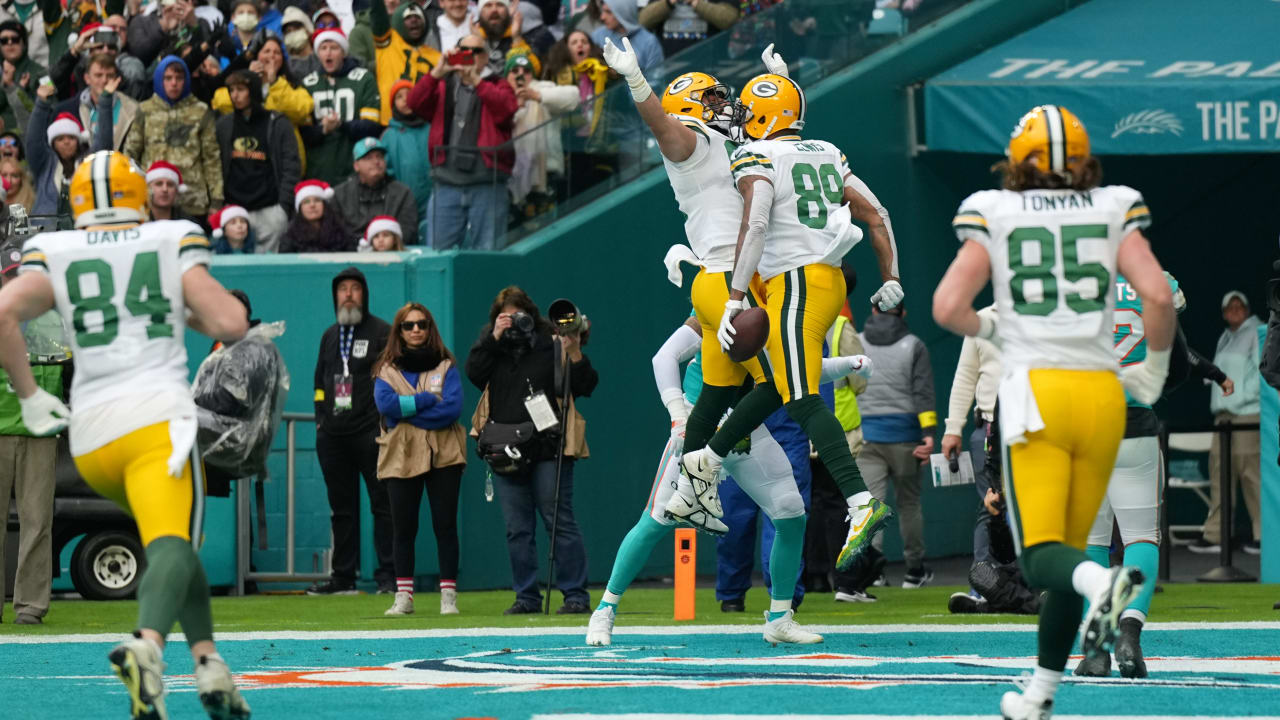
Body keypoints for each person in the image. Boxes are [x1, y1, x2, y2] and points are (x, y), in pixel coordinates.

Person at [605, 53, 901, 571]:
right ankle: (853, 499)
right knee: (792, 388)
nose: (727, 105)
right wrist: (636, 81)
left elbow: (780, 133)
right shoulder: (690, 142)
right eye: (714, 99)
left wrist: (784, 84)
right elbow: (666, 127)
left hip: (754, 279)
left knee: (727, 389)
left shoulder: (743, 144)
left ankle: (696, 482)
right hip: (727, 278)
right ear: (690, 108)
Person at [931, 104, 1174, 719]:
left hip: (1037, 395)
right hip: (1101, 397)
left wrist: (994, 322)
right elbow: (1156, 295)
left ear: (1017, 160)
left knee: (1045, 557)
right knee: (1073, 546)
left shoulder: (997, 208)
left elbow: (947, 307)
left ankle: (1104, 587)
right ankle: (1039, 695)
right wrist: (1153, 372)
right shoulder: (1114, 204)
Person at [0, 149, 251, 717]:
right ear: (139, 194)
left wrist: (29, 394)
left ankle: (210, 665)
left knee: (177, 547)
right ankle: (148, 647)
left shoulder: (55, 248)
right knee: (172, 543)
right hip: (156, 420)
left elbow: (3, 313)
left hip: (91, 438)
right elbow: (231, 323)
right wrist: (188, 309)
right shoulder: (170, 237)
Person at [586, 315, 872, 646]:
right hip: (698, 428)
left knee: (791, 512)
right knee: (656, 520)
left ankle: (779, 617)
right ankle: (605, 609)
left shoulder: (769, 312)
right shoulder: (712, 307)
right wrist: (678, 414)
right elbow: (663, 357)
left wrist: (847, 364)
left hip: (745, 431)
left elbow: (797, 372)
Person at [466, 286, 596, 615]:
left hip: (547, 446)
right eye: (505, 317)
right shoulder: (491, 348)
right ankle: (526, 596)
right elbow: (473, 373)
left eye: (518, 315)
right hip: (505, 446)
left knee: (558, 520)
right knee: (517, 528)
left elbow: (586, 385)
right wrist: (494, 337)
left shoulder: (550, 343)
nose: (514, 323)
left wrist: (574, 350)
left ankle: (575, 595)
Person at [372, 302, 466, 616]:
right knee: (403, 527)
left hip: (444, 451)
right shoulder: (386, 367)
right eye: (408, 325)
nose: (415, 330)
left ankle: (448, 598)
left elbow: (452, 409)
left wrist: (409, 414)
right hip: (401, 452)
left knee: (445, 525)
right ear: (398, 330)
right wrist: (426, 400)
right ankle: (404, 598)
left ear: (430, 328)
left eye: (422, 324)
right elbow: (387, 406)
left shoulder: (446, 364)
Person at [307, 266, 396, 595]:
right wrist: (320, 418)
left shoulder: (382, 332)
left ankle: (389, 576)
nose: (348, 294)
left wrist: (378, 420)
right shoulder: (330, 336)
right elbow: (319, 383)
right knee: (341, 510)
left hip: (369, 433)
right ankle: (343, 577)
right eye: (342, 288)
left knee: (382, 504)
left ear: (364, 294)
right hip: (332, 435)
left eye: (354, 288)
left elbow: (390, 379)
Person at [0, 252, 65, 626]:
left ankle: (30, 607)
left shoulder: (55, 322)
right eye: (12, 277)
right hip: (1, 427)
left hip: (40, 434)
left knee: (38, 521)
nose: (18, 284)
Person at [408, 33, 517, 250]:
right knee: (438, 253)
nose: (470, 56)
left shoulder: (498, 84)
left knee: (489, 254)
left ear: (485, 57)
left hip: (487, 182)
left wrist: (476, 81)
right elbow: (414, 103)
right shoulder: (443, 84)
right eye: (464, 51)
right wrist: (437, 72)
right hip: (446, 183)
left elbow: (507, 109)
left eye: (476, 52)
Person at [856, 301, 936, 588]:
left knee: (871, 506)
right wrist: (928, 433)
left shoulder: (857, 342)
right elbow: (923, 392)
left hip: (866, 436)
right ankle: (914, 571)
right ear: (903, 313)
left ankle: (873, 571)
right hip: (907, 437)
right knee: (909, 505)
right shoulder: (915, 345)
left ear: (874, 310)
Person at [1193, 290, 1262, 555]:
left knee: (1250, 475)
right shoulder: (1225, 337)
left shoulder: (1256, 331)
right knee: (1220, 475)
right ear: (1223, 313)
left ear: (1246, 308)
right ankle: (1216, 535)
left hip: (1246, 413)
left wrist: (1242, 398)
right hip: (1222, 416)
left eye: (1239, 305)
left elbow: (1261, 371)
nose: (1234, 309)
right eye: (1229, 306)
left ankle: (1263, 536)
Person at [941, 302, 1000, 594]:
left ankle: (1032, 581)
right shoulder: (982, 321)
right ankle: (983, 586)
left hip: (1034, 429)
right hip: (988, 427)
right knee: (989, 507)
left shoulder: (1047, 316)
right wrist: (953, 428)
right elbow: (965, 375)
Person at [124, 56, 223, 219]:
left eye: (179, 78)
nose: (174, 83)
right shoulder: (145, 110)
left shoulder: (200, 111)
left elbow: (211, 158)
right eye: (168, 78)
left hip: (193, 200)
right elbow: (131, 154)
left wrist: (216, 200)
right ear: (159, 79)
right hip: (153, 201)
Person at [215, 69, 300, 252]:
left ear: (253, 91)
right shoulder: (224, 125)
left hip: (270, 209)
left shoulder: (277, 123)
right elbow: (215, 165)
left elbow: (291, 165)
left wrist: (283, 207)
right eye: (231, 90)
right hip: (234, 210)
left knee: (269, 272)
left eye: (240, 90)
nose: (234, 95)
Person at [299, 25, 382, 186]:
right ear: (318, 54)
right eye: (323, 48)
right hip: (318, 172)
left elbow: (372, 126)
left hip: (354, 172)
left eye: (334, 48)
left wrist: (342, 125)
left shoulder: (364, 79)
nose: (328, 53)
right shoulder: (307, 84)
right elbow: (302, 134)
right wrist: (322, 129)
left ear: (344, 52)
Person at [27, 80, 109, 228]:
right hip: (46, 236)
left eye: (71, 138)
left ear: (78, 141)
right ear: (52, 143)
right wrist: (41, 104)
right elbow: (33, 141)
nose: (66, 142)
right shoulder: (44, 164)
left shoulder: (90, 162)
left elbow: (104, 140)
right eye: (60, 139)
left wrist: (105, 101)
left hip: (83, 233)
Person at [333, 136, 418, 246]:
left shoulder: (402, 193)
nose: (376, 162)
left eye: (380, 157)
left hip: (391, 254)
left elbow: (407, 230)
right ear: (356, 166)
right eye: (368, 158)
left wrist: (382, 245)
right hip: (351, 256)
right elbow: (335, 231)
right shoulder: (340, 194)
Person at [371, 0, 440, 125]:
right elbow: (378, 15)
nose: (414, 20)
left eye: (418, 17)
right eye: (408, 17)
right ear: (398, 21)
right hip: (390, 124)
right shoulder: (388, 44)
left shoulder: (437, 57)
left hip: (425, 125)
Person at [54, 52, 138, 151]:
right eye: (98, 75)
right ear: (87, 78)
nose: (104, 80)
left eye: (110, 76)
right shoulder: (67, 110)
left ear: (117, 79)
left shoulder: (132, 109)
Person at [381, 78, 431, 238]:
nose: (405, 100)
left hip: (433, 199)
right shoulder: (389, 135)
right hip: (404, 203)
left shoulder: (431, 128)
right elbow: (385, 172)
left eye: (409, 95)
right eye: (399, 97)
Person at [637, 0, 739, 57]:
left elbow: (729, 19)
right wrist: (668, 3)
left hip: (710, 64)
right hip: (668, 66)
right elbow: (643, 21)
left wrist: (697, 3)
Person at [281, 178, 353, 252]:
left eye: (317, 200)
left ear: (324, 205)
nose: (312, 205)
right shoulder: (291, 236)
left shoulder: (340, 232)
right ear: (300, 208)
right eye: (306, 202)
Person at [592, 0, 660, 78]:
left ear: (623, 12)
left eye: (608, 12)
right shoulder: (597, 36)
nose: (602, 17)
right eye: (603, 11)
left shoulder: (649, 42)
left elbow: (655, 79)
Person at [0, 21, 44, 135]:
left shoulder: (41, 72)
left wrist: (17, 89)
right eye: (4, 41)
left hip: (28, 135)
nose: (9, 43)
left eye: (15, 39)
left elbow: (51, 105)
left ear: (23, 43)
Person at [474, 0, 529, 78]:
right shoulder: (469, 39)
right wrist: (476, 43)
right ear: (480, 12)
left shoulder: (522, 36)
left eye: (500, 5)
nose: (494, 10)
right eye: (488, 5)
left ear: (507, 11)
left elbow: (531, 71)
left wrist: (517, 39)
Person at [281, 5, 319, 77]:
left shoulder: (321, 59)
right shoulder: (284, 68)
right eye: (288, 31)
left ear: (308, 30)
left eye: (297, 28)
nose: (293, 33)